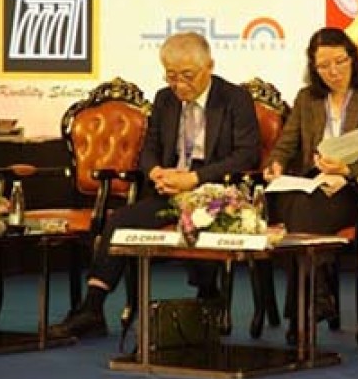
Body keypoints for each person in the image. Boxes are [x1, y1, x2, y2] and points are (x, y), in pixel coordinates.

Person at [51, 32, 261, 338]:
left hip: (215, 190)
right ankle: (92, 308)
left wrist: (194, 179)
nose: (179, 85)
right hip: (170, 187)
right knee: (120, 221)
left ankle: (208, 294)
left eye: (187, 76)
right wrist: (157, 173)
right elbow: (148, 150)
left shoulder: (234, 99)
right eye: (171, 76)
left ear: (209, 66)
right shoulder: (164, 99)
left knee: (198, 220)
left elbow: (246, 154)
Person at [263, 27, 358, 319]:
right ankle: (316, 294)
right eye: (324, 66)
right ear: (313, 68)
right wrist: (275, 164)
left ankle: (305, 304)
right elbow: (285, 145)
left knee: (300, 207)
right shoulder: (307, 99)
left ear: (352, 58)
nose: (333, 71)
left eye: (340, 61)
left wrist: (347, 169)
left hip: (355, 188)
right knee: (288, 200)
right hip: (314, 184)